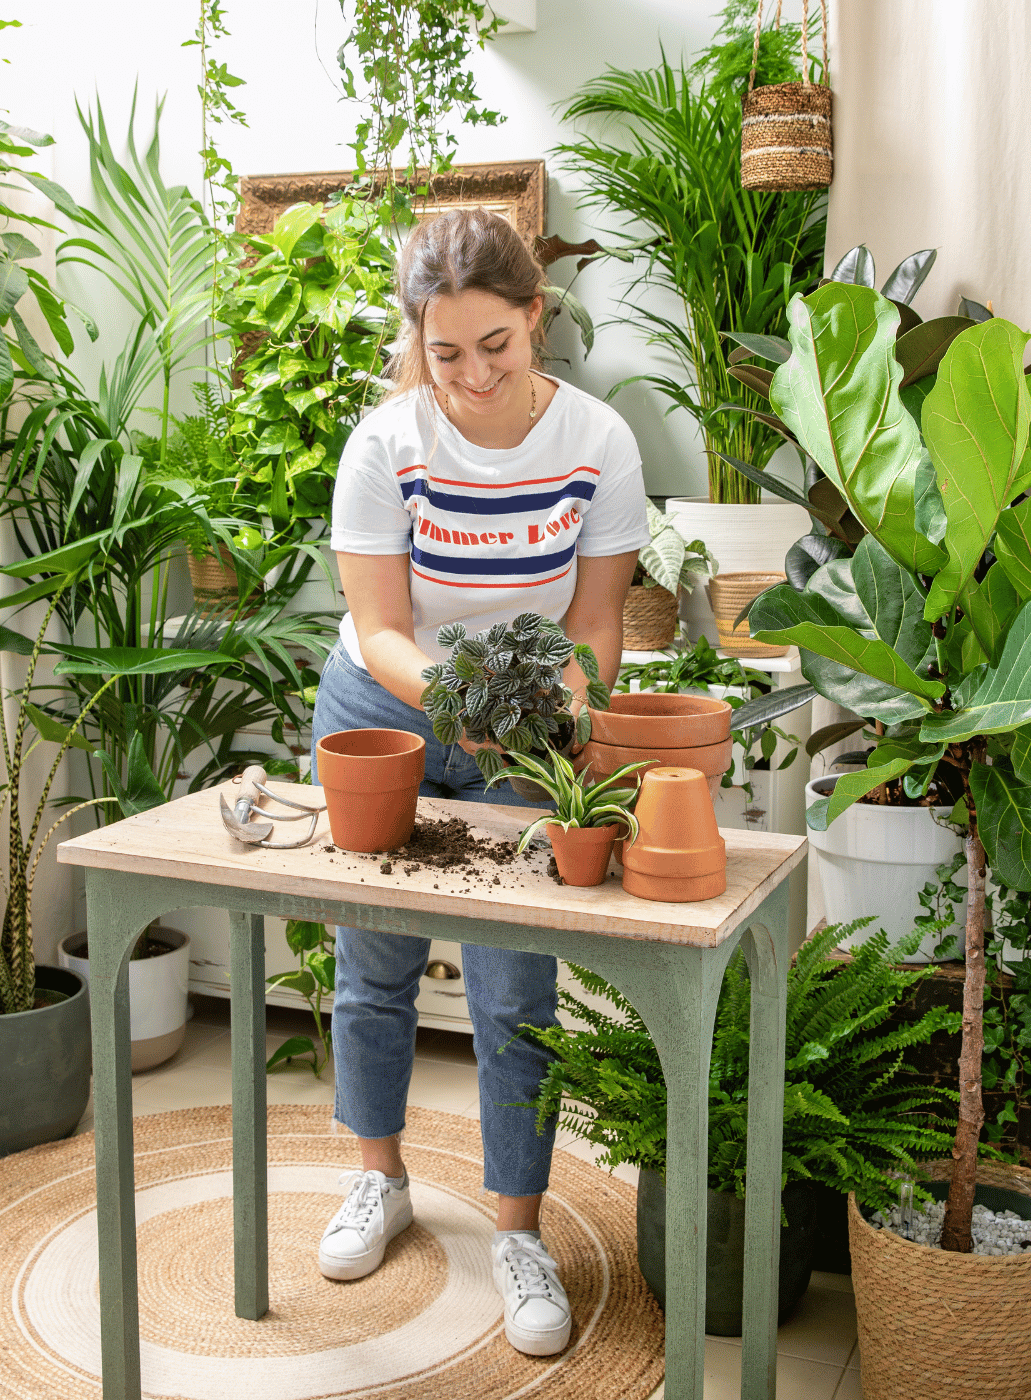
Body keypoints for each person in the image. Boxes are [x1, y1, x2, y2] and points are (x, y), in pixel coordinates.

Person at [310, 206, 648, 1356]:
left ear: (534, 317)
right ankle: (379, 1178)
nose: (469, 377)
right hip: (383, 708)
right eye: (443, 353)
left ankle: (517, 1228)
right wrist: (473, 709)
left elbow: (596, 628)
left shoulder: (597, 440)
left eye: (492, 346)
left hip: (523, 733)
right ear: (418, 339)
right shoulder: (385, 443)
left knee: (515, 982)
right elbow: (383, 628)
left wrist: (550, 713)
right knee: (374, 961)